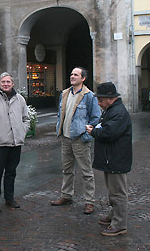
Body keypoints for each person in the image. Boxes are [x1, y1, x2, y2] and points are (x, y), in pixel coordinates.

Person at [51, 67, 101, 214]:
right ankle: (66, 195)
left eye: (76, 74)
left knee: (86, 172)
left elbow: (96, 118)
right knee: (67, 170)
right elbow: (61, 115)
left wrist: (86, 136)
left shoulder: (89, 96)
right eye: (71, 74)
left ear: (83, 78)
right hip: (65, 138)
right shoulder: (64, 94)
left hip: (80, 139)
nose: (72, 76)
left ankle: (89, 201)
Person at [86, 81, 132, 237]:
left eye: (101, 99)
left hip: (116, 158)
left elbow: (108, 133)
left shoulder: (118, 112)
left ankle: (119, 224)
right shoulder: (112, 110)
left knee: (118, 192)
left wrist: (93, 132)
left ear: (110, 98)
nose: (99, 103)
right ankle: (114, 216)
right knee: (113, 191)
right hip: (111, 158)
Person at [0, 72, 30, 212]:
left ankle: (9, 198)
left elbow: (26, 118)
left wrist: (22, 131)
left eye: (8, 82)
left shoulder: (20, 99)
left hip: (16, 143)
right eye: (3, 82)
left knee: (11, 172)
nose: (6, 84)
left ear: (12, 83)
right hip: (0, 143)